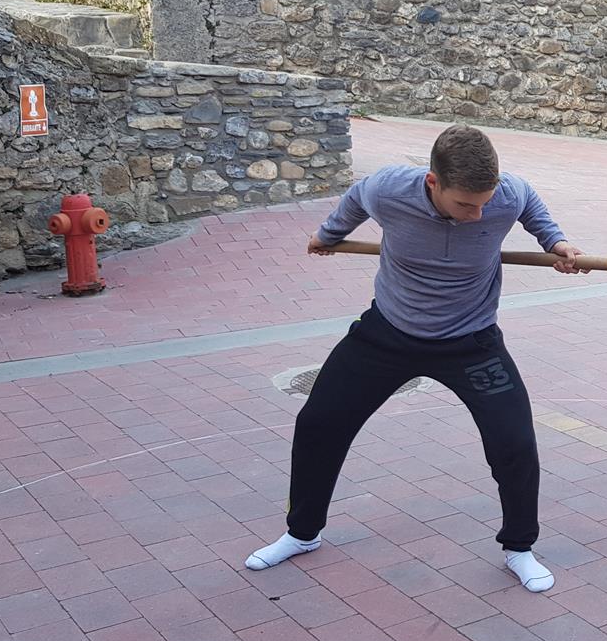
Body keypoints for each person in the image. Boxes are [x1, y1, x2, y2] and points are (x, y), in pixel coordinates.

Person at [245, 125, 583, 593]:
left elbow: (532, 209)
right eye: (465, 204)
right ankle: (302, 533)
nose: (478, 215)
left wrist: (557, 244)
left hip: (471, 342)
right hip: (387, 334)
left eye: (484, 204)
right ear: (432, 182)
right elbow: (355, 198)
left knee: (515, 443)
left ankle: (519, 547)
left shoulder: (507, 194)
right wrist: (329, 234)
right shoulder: (389, 189)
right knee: (319, 424)